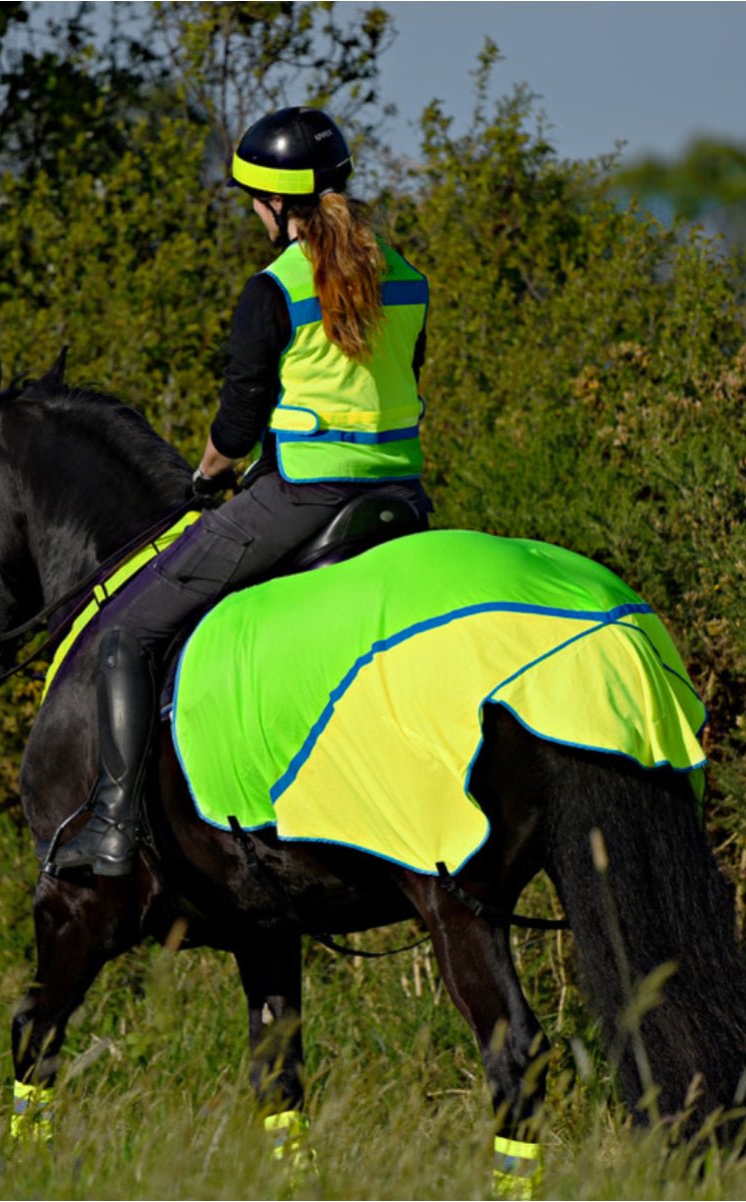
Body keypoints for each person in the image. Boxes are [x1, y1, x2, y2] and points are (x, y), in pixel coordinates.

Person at [54, 106, 434, 876]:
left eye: (252, 201)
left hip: (305, 501)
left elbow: (237, 420)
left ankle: (114, 829)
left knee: (128, 632)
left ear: (272, 204)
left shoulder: (274, 290)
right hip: (403, 501)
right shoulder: (409, 279)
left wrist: (206, 476)